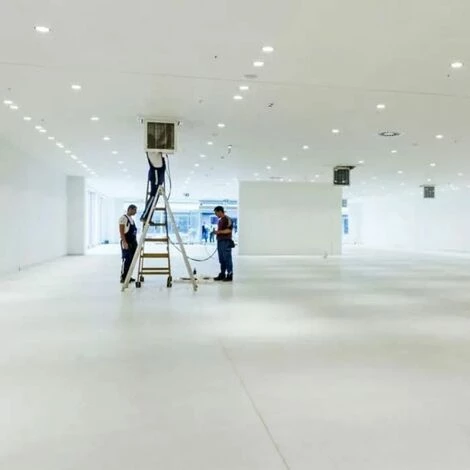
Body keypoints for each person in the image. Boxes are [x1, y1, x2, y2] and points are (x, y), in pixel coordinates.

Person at [140, 152, 166, 224]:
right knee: (153, 197)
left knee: (154, 198)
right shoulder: (152, 152)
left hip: (158, 176)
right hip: (156, 176)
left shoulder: (154, 153)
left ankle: (147, 217)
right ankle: (144, 216)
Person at [213, 206, 234, 282]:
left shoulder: (227, 219)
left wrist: (218, 232)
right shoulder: (220, 220)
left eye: (216, 213)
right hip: (220, 241)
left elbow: (229, 230)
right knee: (221, 259)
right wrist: (216, 232)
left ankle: (229, 274)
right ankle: (222, 274)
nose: (215, 214)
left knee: (227, 259)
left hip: (226, 242)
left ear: (220, 211)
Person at [119, 204, 138, 283]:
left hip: (133, 243)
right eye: (135, 210)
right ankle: (123, 277)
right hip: (127, 242)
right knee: (126, 259)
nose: (136, 212)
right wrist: (124, 242)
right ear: (130, 209)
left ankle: (128, 276)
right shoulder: (123, 218)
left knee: (131, 260)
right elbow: (121, 232)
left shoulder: (131, 219)